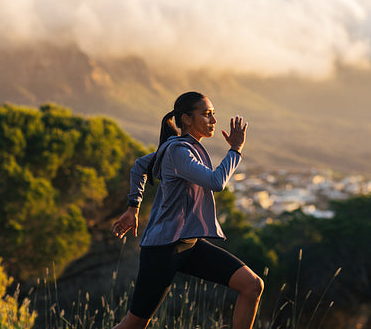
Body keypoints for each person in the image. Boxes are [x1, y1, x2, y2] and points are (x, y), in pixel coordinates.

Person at [111, 92, 264, 329]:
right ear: (186, 119)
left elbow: (141, 166)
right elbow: (216, 182)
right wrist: (235, 149)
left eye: (213, 114)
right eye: (206, 114)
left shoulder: (183, 149)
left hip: (188, 244)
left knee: (252, 285)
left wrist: (133, 208)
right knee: (134, 324)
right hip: (163, 249)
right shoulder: (178, 151)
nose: (213, 120)